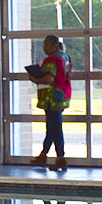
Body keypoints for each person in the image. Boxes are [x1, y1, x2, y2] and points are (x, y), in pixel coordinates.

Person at [34, 34, 71, 172]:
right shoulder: (64, 57)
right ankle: (43, 155)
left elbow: (49, 79)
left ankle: (61, 158)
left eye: (46, 44)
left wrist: (35, 79)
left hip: (52, 99)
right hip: (62, 96)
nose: (44, 47)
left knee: (55, 129)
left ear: (54, 46)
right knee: (51, 128)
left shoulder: (52, 60)